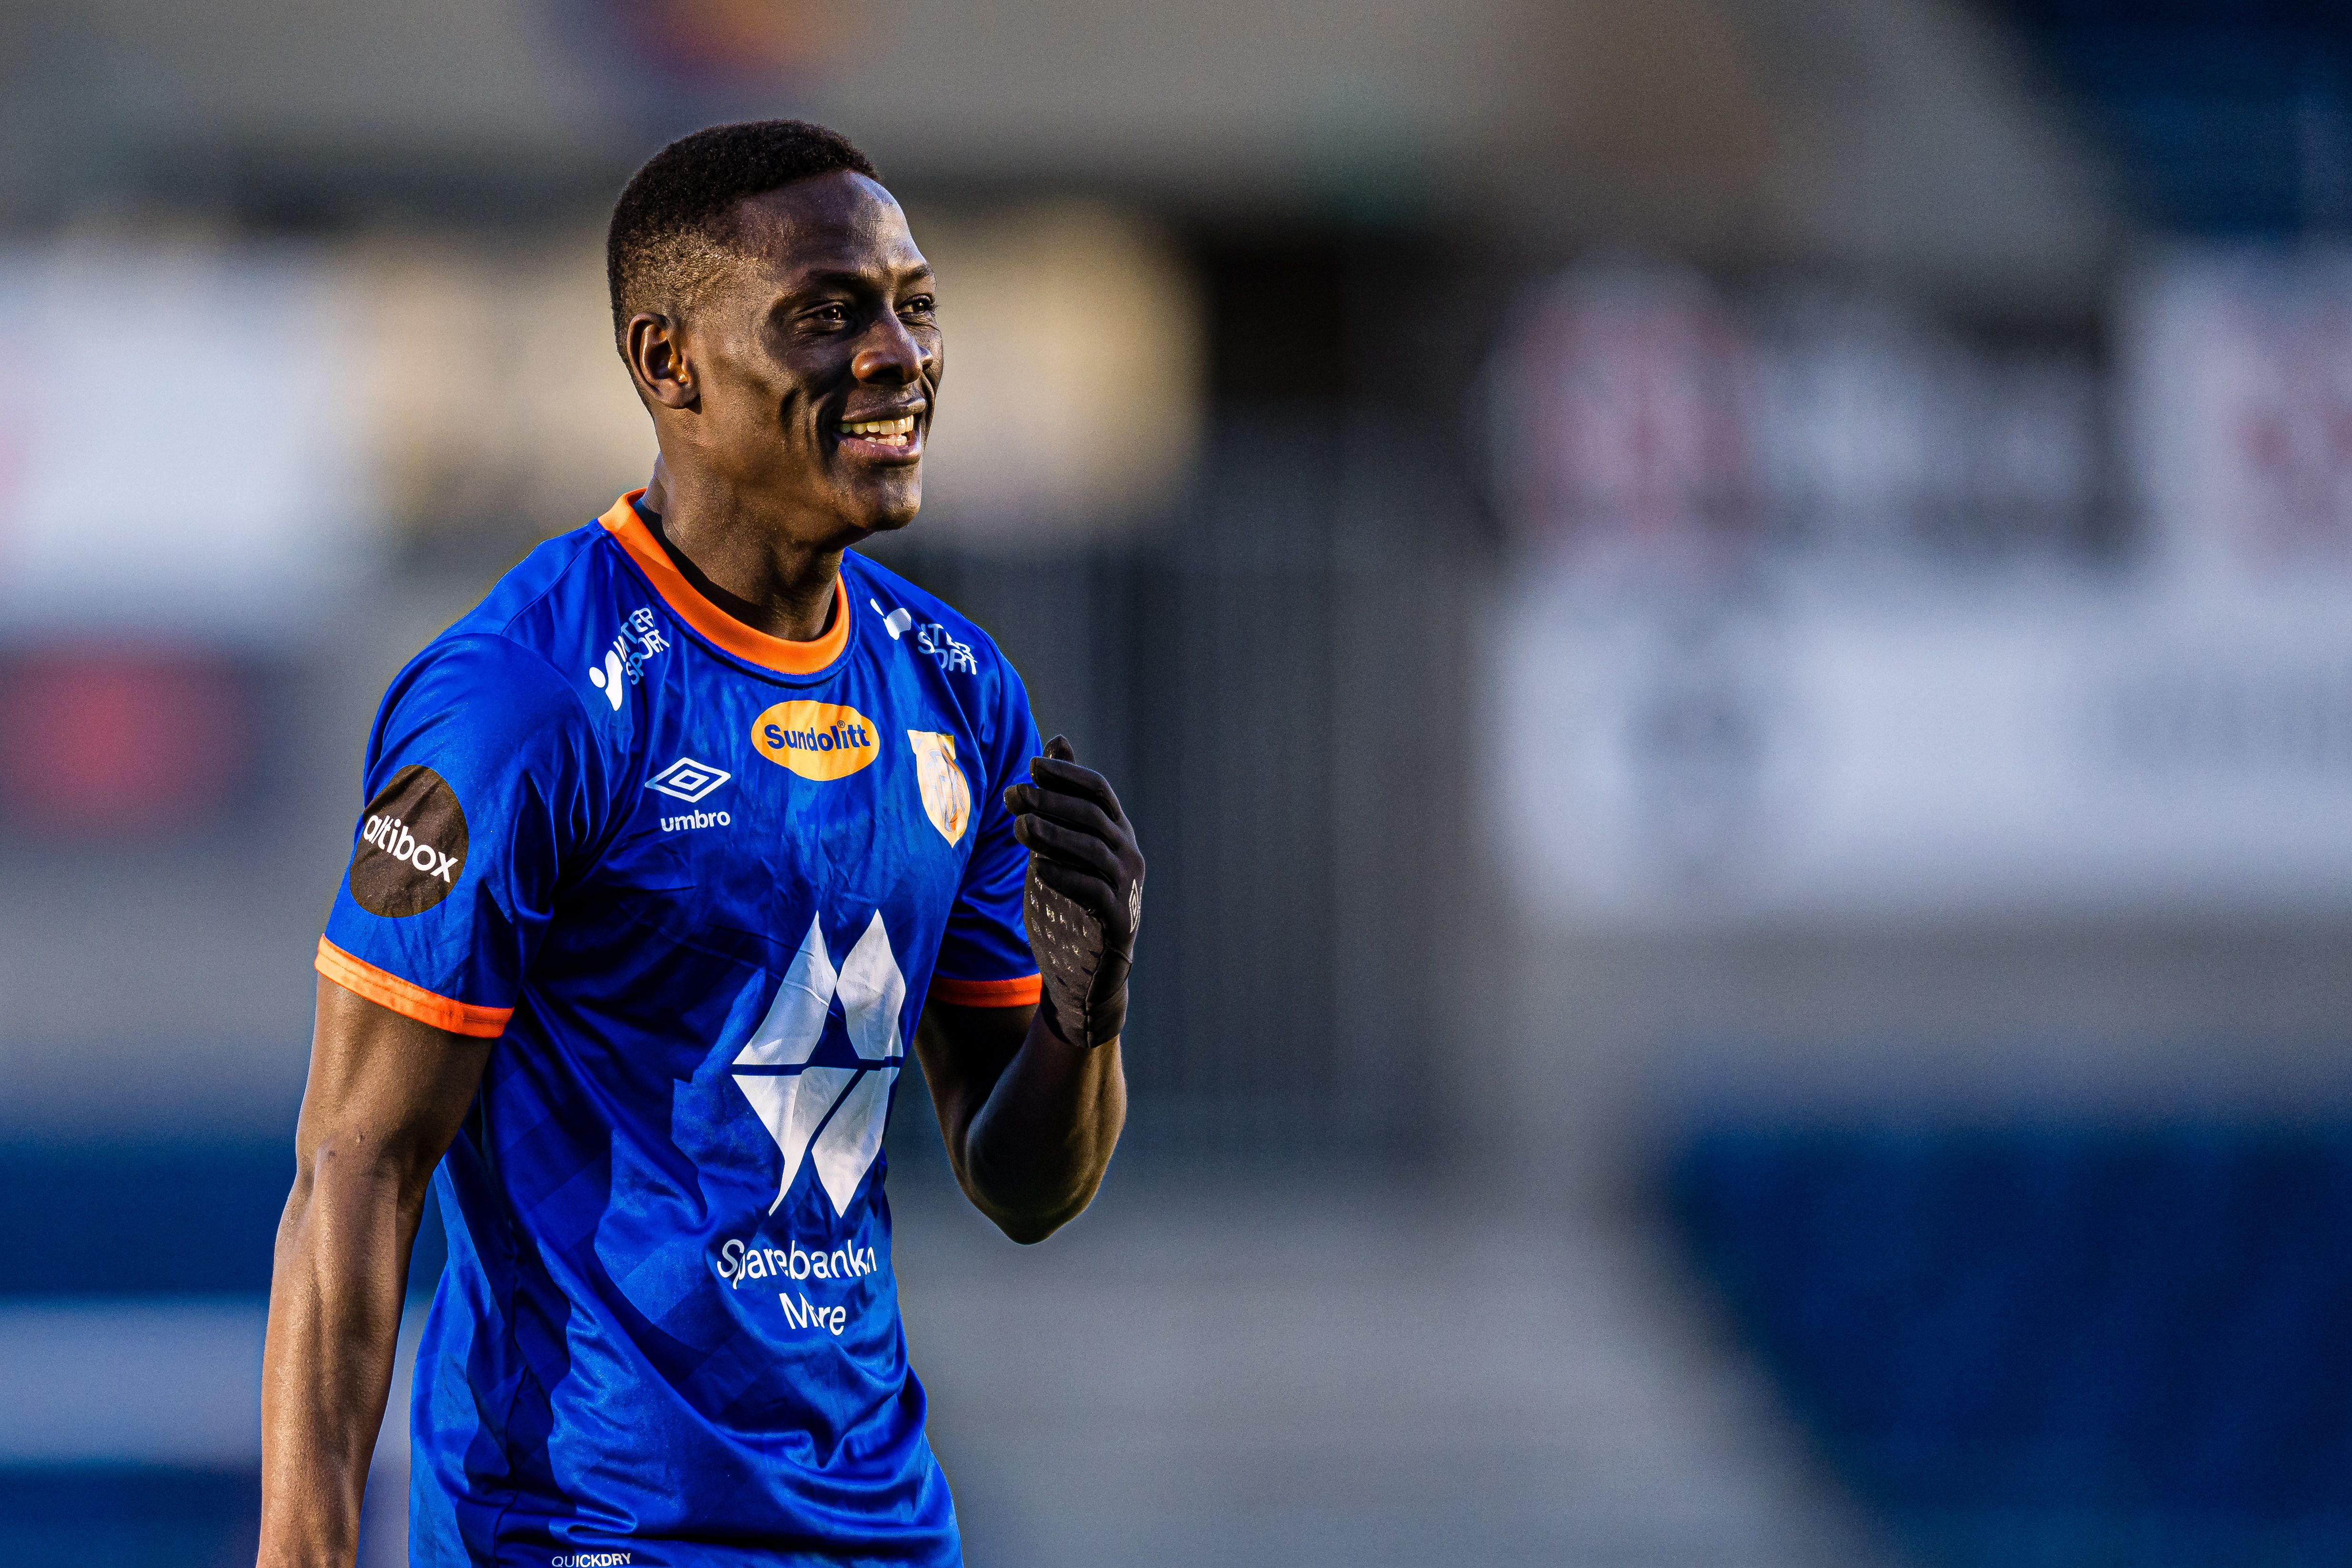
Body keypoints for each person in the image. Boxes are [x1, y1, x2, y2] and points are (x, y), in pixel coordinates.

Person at [256, 120, 1145, 1568]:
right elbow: (356, 1167)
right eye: (827, 315)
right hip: (588, 1527)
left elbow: (1028, 1189)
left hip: (882, 1533)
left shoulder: (960, 692)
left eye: (915, 304)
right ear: (669, 363)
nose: (899, 356)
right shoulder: (521, 702)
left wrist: (1083, 1020)